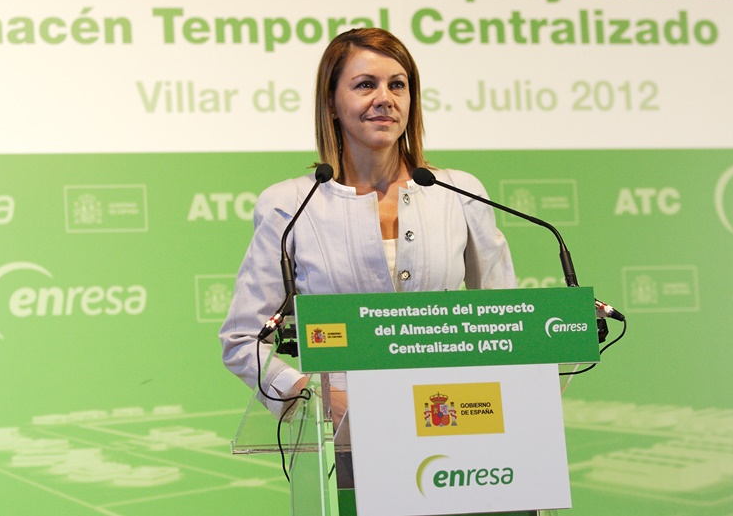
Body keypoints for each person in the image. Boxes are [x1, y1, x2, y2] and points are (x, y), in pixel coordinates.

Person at [219, 28, 516, 422]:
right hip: (343, 437)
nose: (385, 99)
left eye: (397, 85)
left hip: (453, 419)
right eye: (365, 85)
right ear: (332, 104)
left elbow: (507, 321)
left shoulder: (458, 192)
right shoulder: (289, 204)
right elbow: (242, 340)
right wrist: (312, 395)